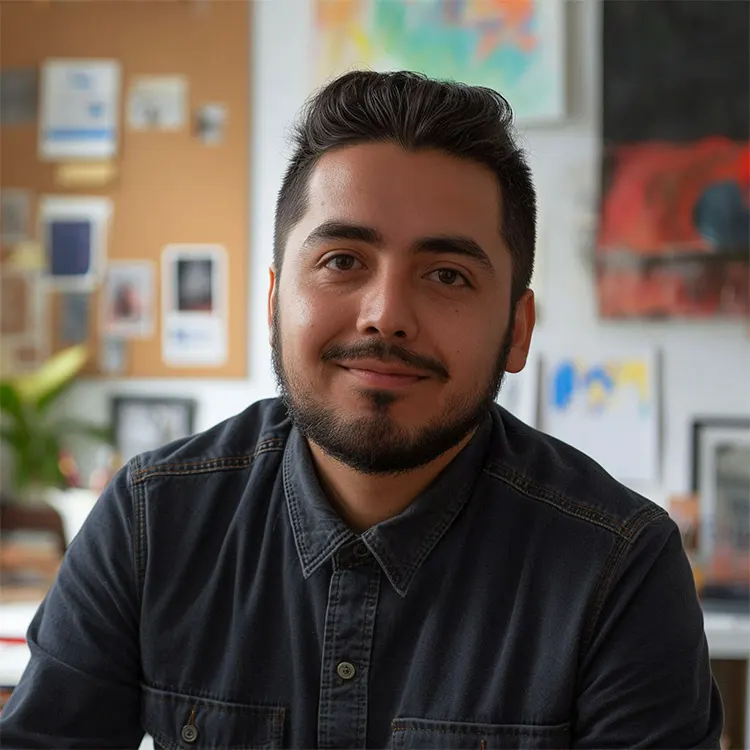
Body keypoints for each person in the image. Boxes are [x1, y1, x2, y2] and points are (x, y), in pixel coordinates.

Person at [0, 71, 722, 749]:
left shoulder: (619, 569)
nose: (386, 315)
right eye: (342, 260)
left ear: (517, 329)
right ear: (274, 302)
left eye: (448, 275)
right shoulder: (152, 521)